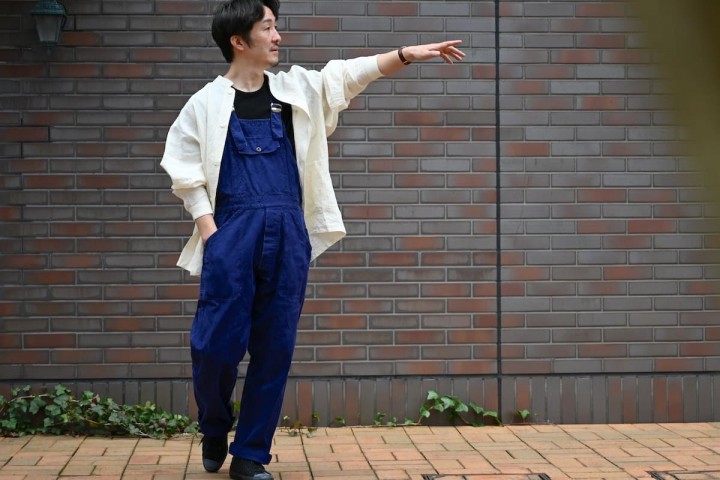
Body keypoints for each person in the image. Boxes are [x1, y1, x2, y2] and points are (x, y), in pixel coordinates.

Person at [160, 1, 464, 478]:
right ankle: (214, 423)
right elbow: (184, 169)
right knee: (213, 347)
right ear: (239, 41)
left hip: (287, 233)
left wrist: (405, 54)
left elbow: (346, 76)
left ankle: (250, 454)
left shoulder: (295, 89)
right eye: (267, 28)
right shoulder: (205, 104)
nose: (277, 36)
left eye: (275, 26)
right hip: (230, 235)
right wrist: (210, 231)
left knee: (275, 347)